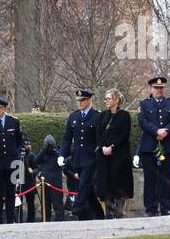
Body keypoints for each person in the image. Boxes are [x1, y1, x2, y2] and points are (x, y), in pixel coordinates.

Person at [136, 77, 170, 216]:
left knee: (166, 178)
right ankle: (151, 208)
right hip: (150, 147)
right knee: (150, 179)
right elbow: (142, 121)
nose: (159, 90)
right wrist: (156, 131)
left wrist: (166, 131)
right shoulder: (144, 104)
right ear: (151, 89)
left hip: (168, 146)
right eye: (156, 88)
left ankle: (165, 206)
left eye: (161, 88)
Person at [60, 89, 103, 220]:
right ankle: (100, 214)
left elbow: (101, 138)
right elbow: (67, 138)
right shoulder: (73, 116)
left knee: (83, 184)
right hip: (77, 158)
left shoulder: (97, 116)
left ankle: (76, 210)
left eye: (82, 100)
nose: (80, 103)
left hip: (91, 158)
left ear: (89, 100)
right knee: (88, 189)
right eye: (78, 100)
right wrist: (62, 154)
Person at [0, 97, 24, 224]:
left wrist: (14, 153)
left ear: (3, 109)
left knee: (11, 192)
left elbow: (18, 141)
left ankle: (10, 219)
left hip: (12, 162)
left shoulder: (14, 122)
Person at [95, 89, 134, 218]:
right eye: (105, 98)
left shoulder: (124, 115)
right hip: (104, 156)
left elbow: (124, 135)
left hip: (119, 155)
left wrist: (112, 146)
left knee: (119, 182)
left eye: (109, 98)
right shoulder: (103, 115)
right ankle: (108, 213)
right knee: (106, 184)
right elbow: (99, 133)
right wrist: (103, 147)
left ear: (116, 100)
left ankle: (118, 212)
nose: (106, 101)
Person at [34, 134, 65, 222]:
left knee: (58, 206)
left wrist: (54, 150)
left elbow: (61, 162)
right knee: (45, 206)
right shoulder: (43, 153)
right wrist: (44, 150)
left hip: (56, 183)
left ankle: (60, 222)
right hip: (45, 183)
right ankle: (45, 222)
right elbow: (36, 161)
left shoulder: (58, 154)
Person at [18, 135, 38, 223]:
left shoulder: (31, 156)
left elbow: (37, 168)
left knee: (31, 203)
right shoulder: (18, 155)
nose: (28, 146)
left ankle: (31, 220)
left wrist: (33, 171)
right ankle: (19, 220)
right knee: (18, 204)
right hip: (19, 183)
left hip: (29, 183)